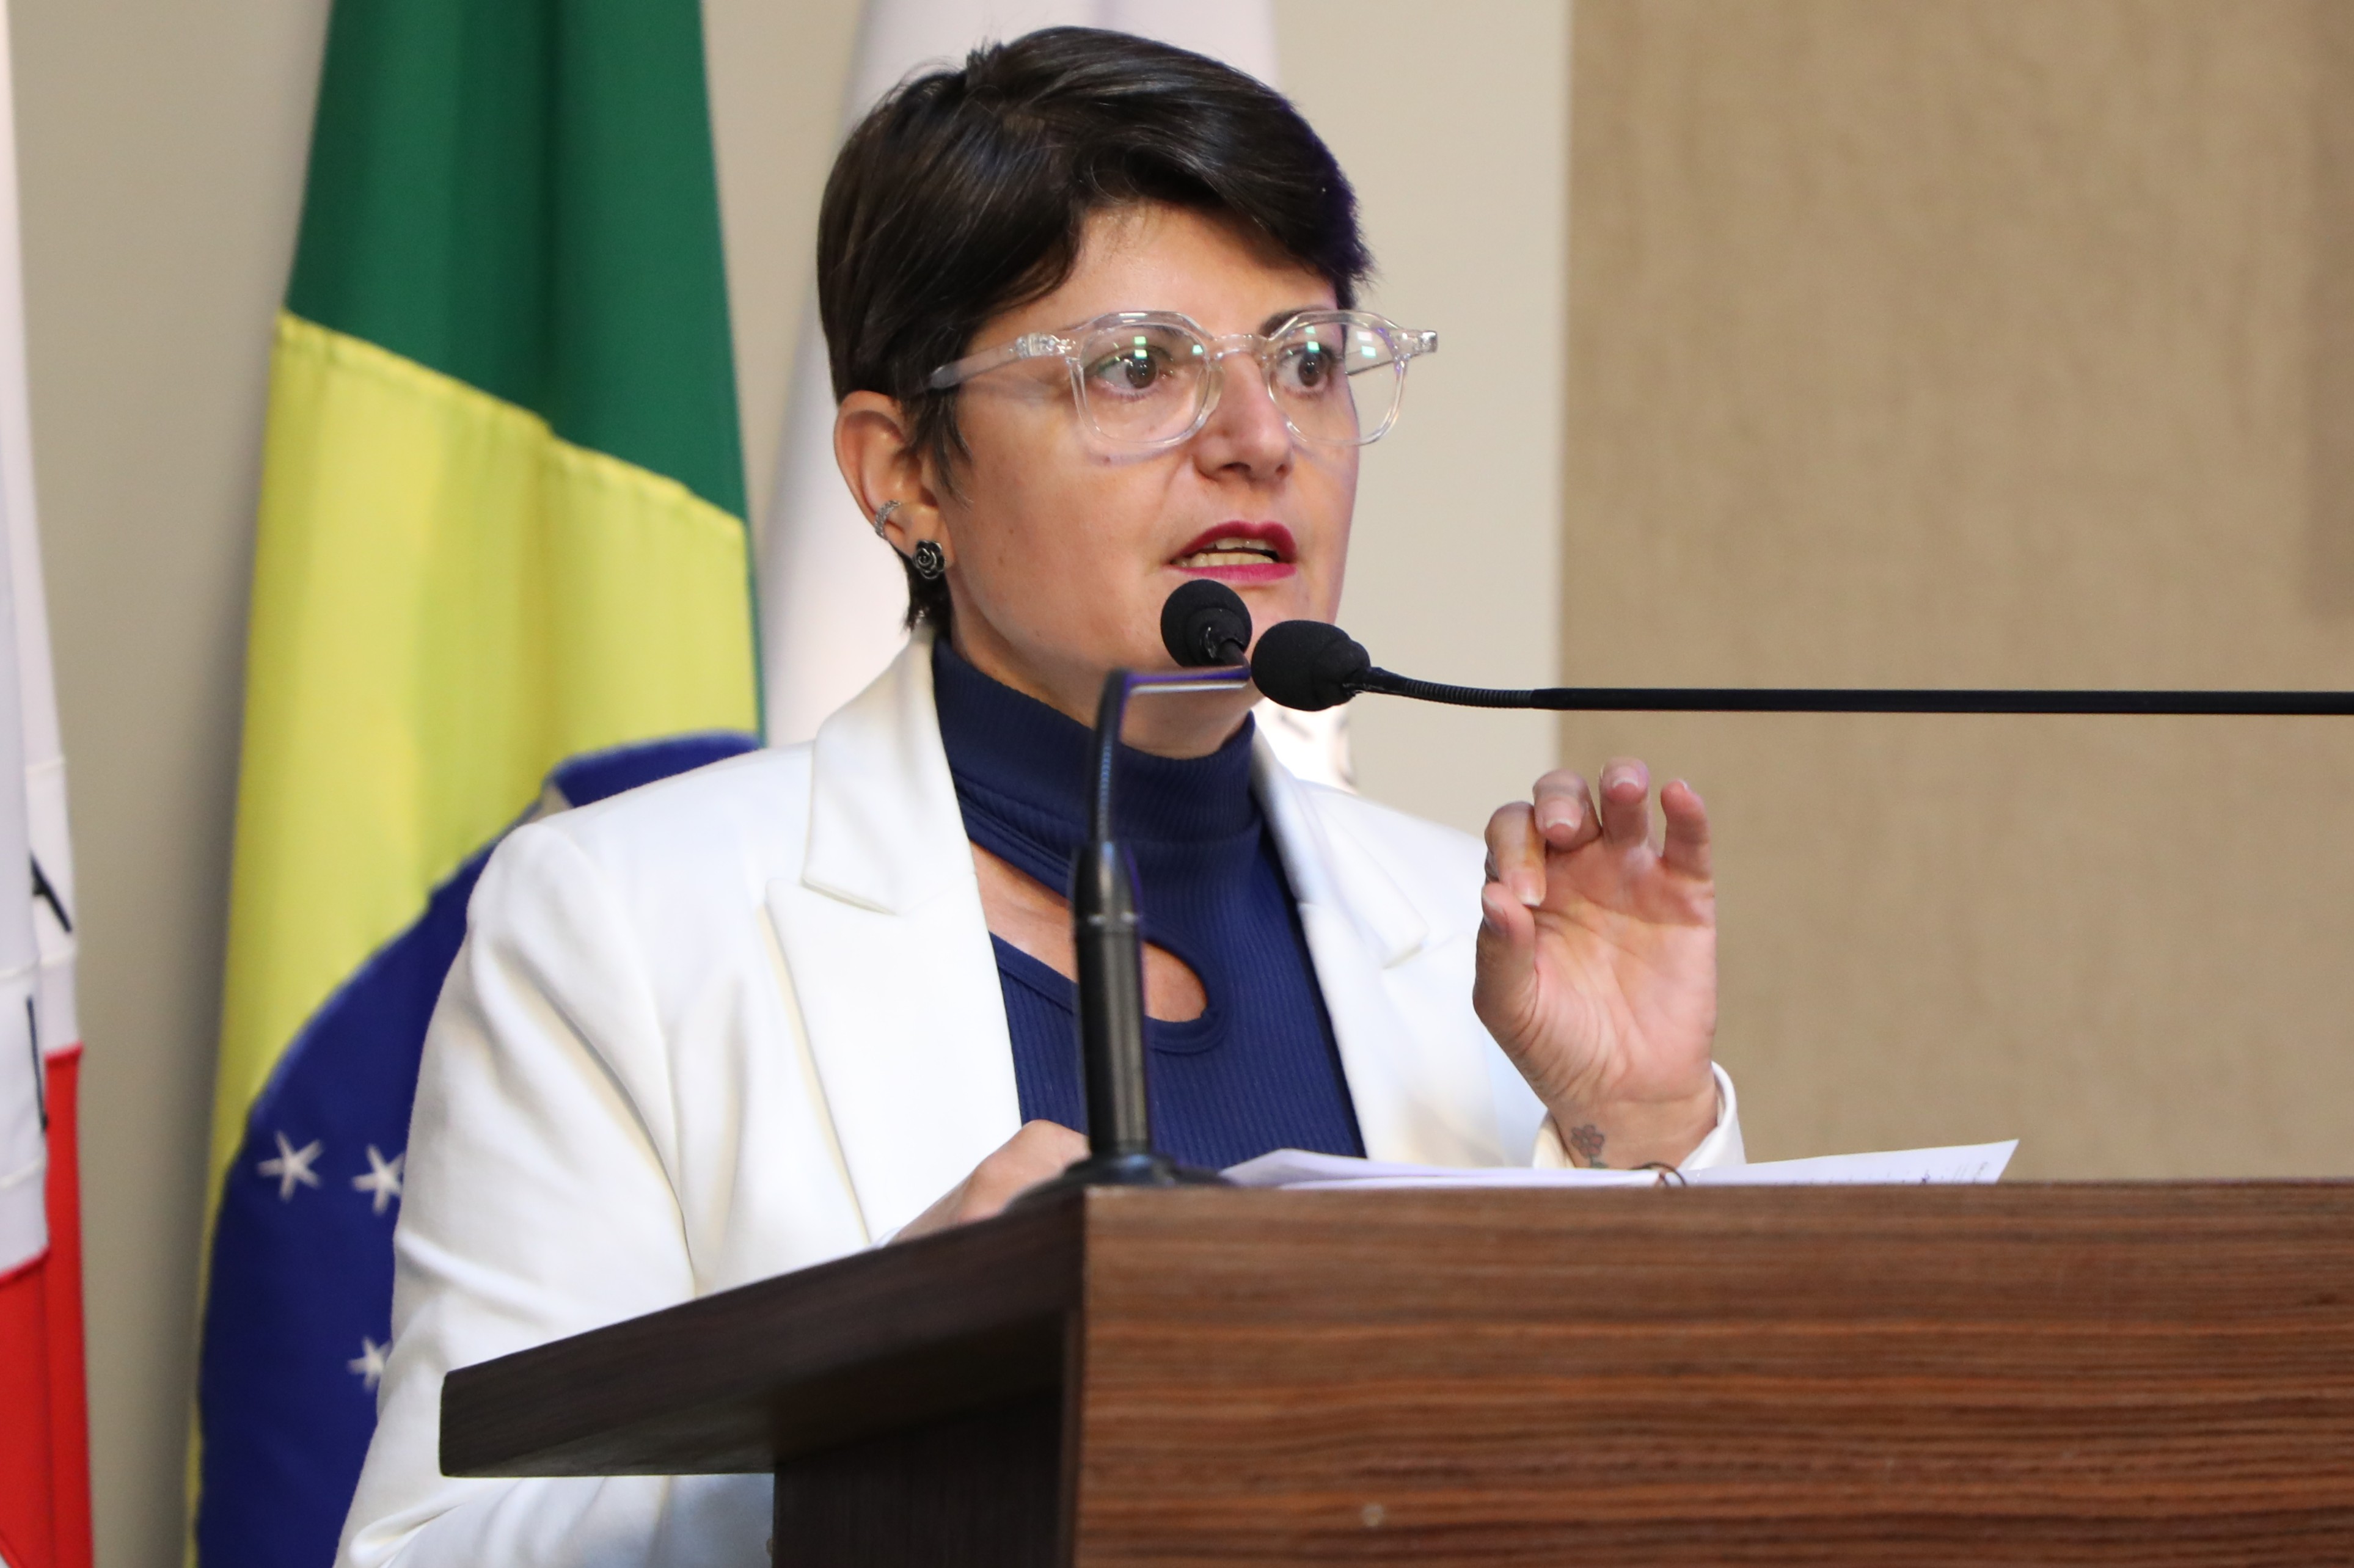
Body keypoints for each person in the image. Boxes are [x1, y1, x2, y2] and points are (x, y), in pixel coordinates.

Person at [337, 27, 1741, 1567]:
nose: (1260, 440)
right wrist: (888, 1379)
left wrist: (1639, 1128)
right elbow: (435, 1548)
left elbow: (1689, 1494)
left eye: (1306, 360)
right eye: (1138, 368)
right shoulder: (626, 925)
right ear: (903, 476)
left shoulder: (1467, 932)